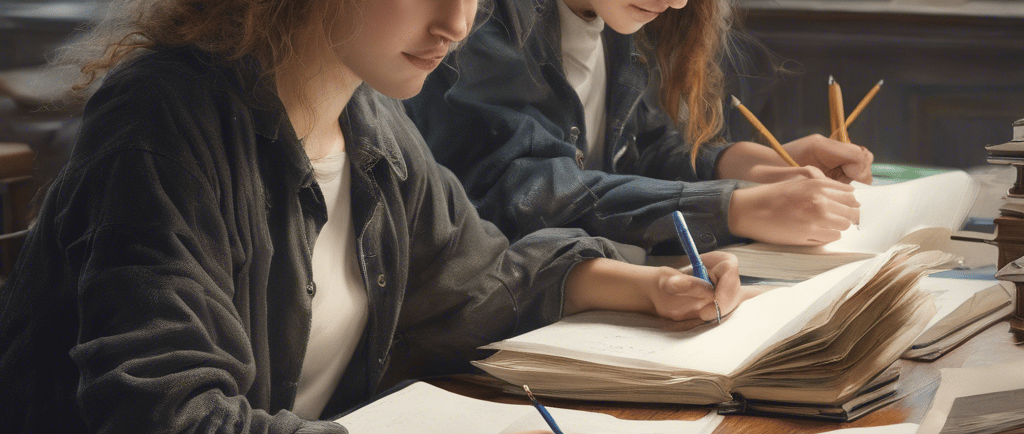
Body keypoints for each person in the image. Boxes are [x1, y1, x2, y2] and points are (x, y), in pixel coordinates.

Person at [0, 0, 755, 432]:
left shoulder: (373, 126)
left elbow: (479, 280)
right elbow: (167, 415)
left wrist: (646, 284)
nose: (458, 22)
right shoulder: (163, 117)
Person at [405, 0, 872, 253]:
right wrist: (733, 208)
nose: (676, 1)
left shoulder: (606, 15)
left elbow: (641, 147)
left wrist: (763, 167)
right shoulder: (478, 16)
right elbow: (518, 193)